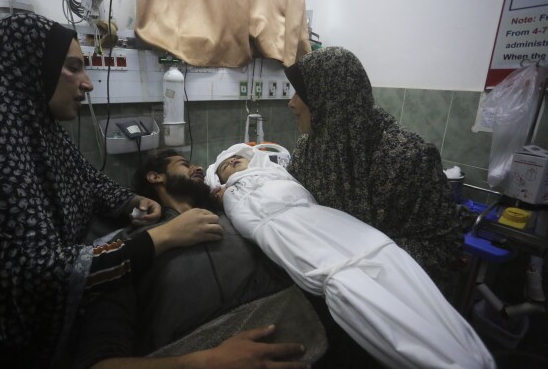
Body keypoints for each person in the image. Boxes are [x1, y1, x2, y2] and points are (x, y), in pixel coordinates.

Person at [0, 13, 308, 369]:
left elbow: (88, 179)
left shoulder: (38, 132)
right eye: (73, 67)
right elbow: (35, 279)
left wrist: (131, 200)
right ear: (23, 69)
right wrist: (158, 239)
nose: (88, 83)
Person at [206, 143, 496, 369]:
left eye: (237, 158)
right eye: (225, 166)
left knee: (388, 261)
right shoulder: (232, 194)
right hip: (295, 236)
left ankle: (471, 353)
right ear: (218, 181)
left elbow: (296, 193)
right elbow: (249, 217)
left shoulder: (277, 174)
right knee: (354, 286)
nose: (232, 162)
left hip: (335, 224)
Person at [66, 149, 326, 368]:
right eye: (185, 164)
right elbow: (100, 363)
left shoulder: (238, 215)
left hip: (302, 335)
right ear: (155, 177)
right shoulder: (127, 250)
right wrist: (207, 361)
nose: (199, 167)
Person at [284, 46, 463, 300]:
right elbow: (292, 200)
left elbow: (444, 248)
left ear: (330, 100)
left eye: (301, 93)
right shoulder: (309, 148)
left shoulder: (405, 158)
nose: (291, 103)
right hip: (326, 285)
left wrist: (360, 256)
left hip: (391, 297)